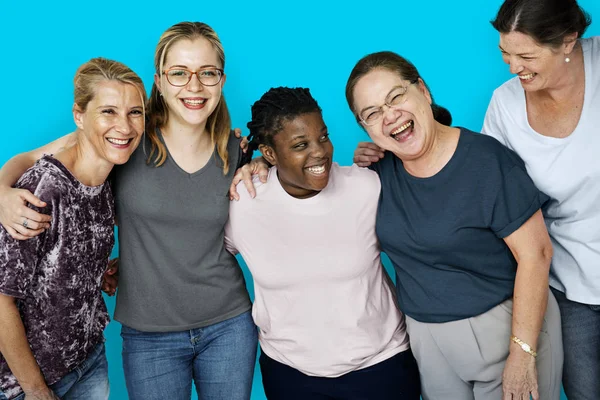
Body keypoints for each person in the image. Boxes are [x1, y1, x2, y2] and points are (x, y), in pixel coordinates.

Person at [0, 22, 257, 400]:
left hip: (228, 324)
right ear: (160, 80)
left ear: (221, 79)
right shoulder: (125, 136)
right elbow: (29, 159)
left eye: (208, 73)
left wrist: (260, 163)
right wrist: (1, 190)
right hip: (149, 334)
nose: (195, 85)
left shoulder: (236, 149)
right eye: (179, 73)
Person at [343, 51, 563, 400]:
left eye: (396, 97)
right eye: (372, 113)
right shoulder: (378, 172)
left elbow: (536, 255)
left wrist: (522, 354)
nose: (390, 117)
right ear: (365, 127)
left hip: (505, 330)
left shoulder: (488, 162)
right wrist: (257, 163)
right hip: (427, 342)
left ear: (423, 91)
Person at [225, 86, 420, 400]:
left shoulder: (367, 187)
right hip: (290, 374)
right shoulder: (244, 202)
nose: (320, 152)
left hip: (381, 366)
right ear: (270, 153)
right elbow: (199, 253)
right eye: (300, 144)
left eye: (323, 137)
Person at [0, 57, 146, 400]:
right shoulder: (42, 191)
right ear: (79, 115)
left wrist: (95, 273)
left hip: (88, 360)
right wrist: (35, 390)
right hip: (30, 383)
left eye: (135, 112)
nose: (124, 127)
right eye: (108, 111)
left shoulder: (111, 171)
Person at [482, 2, 599, 398]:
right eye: (505, 54)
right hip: (572, 289)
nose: (513, 67)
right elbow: (478, 175)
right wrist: (397, 147)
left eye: (526, 55)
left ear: (568, 41)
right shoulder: (505, 104)